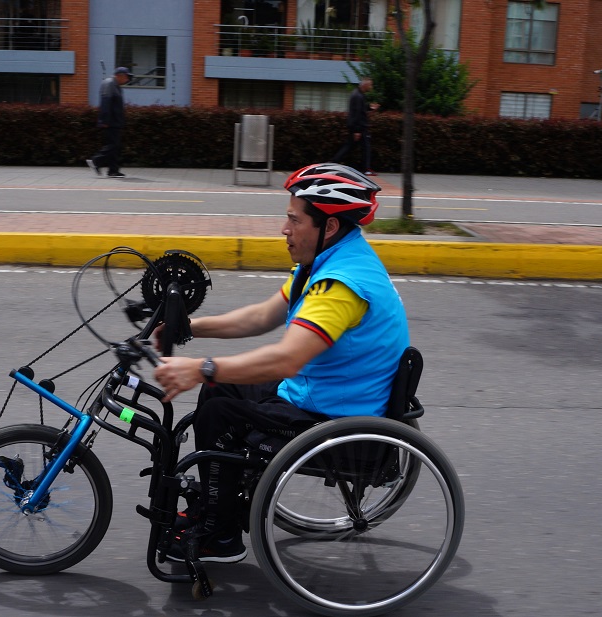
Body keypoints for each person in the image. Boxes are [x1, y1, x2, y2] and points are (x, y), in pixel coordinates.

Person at [152, 163, 410, 563]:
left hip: (333, 418)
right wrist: (190, 328)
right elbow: (263, 316)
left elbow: (288, 359)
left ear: (329, 227)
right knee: (221, 388)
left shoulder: (339, 286)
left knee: (218, 415)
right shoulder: (327, 261)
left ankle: (220, 535)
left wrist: (200, 366)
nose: (284, 229)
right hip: (322, 392)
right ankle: (219, 505)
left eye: (294, 219)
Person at [87, 67, 131, 179]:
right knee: (113, 145)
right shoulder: (110, 84)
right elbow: (105, 103)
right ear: (120, 75)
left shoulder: (116, 85)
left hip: (115, 121)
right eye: (126, 77)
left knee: (115, 146)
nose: (127, 79)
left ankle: (113, 171)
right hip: (111, 122)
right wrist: (104, 120)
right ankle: (95, 161)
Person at [330, 77, 379, 175]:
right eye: (370, 85)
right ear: (364, 85)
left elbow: (361, 109)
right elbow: (356, 114)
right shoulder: (358, 96)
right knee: (365, 147)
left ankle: (332, 163)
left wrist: (370, 107)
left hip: (357, 127)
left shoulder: (359, 94)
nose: (371, 87)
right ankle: (366, 169)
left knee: (349, 146)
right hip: (359, 127)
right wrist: (357, 130)